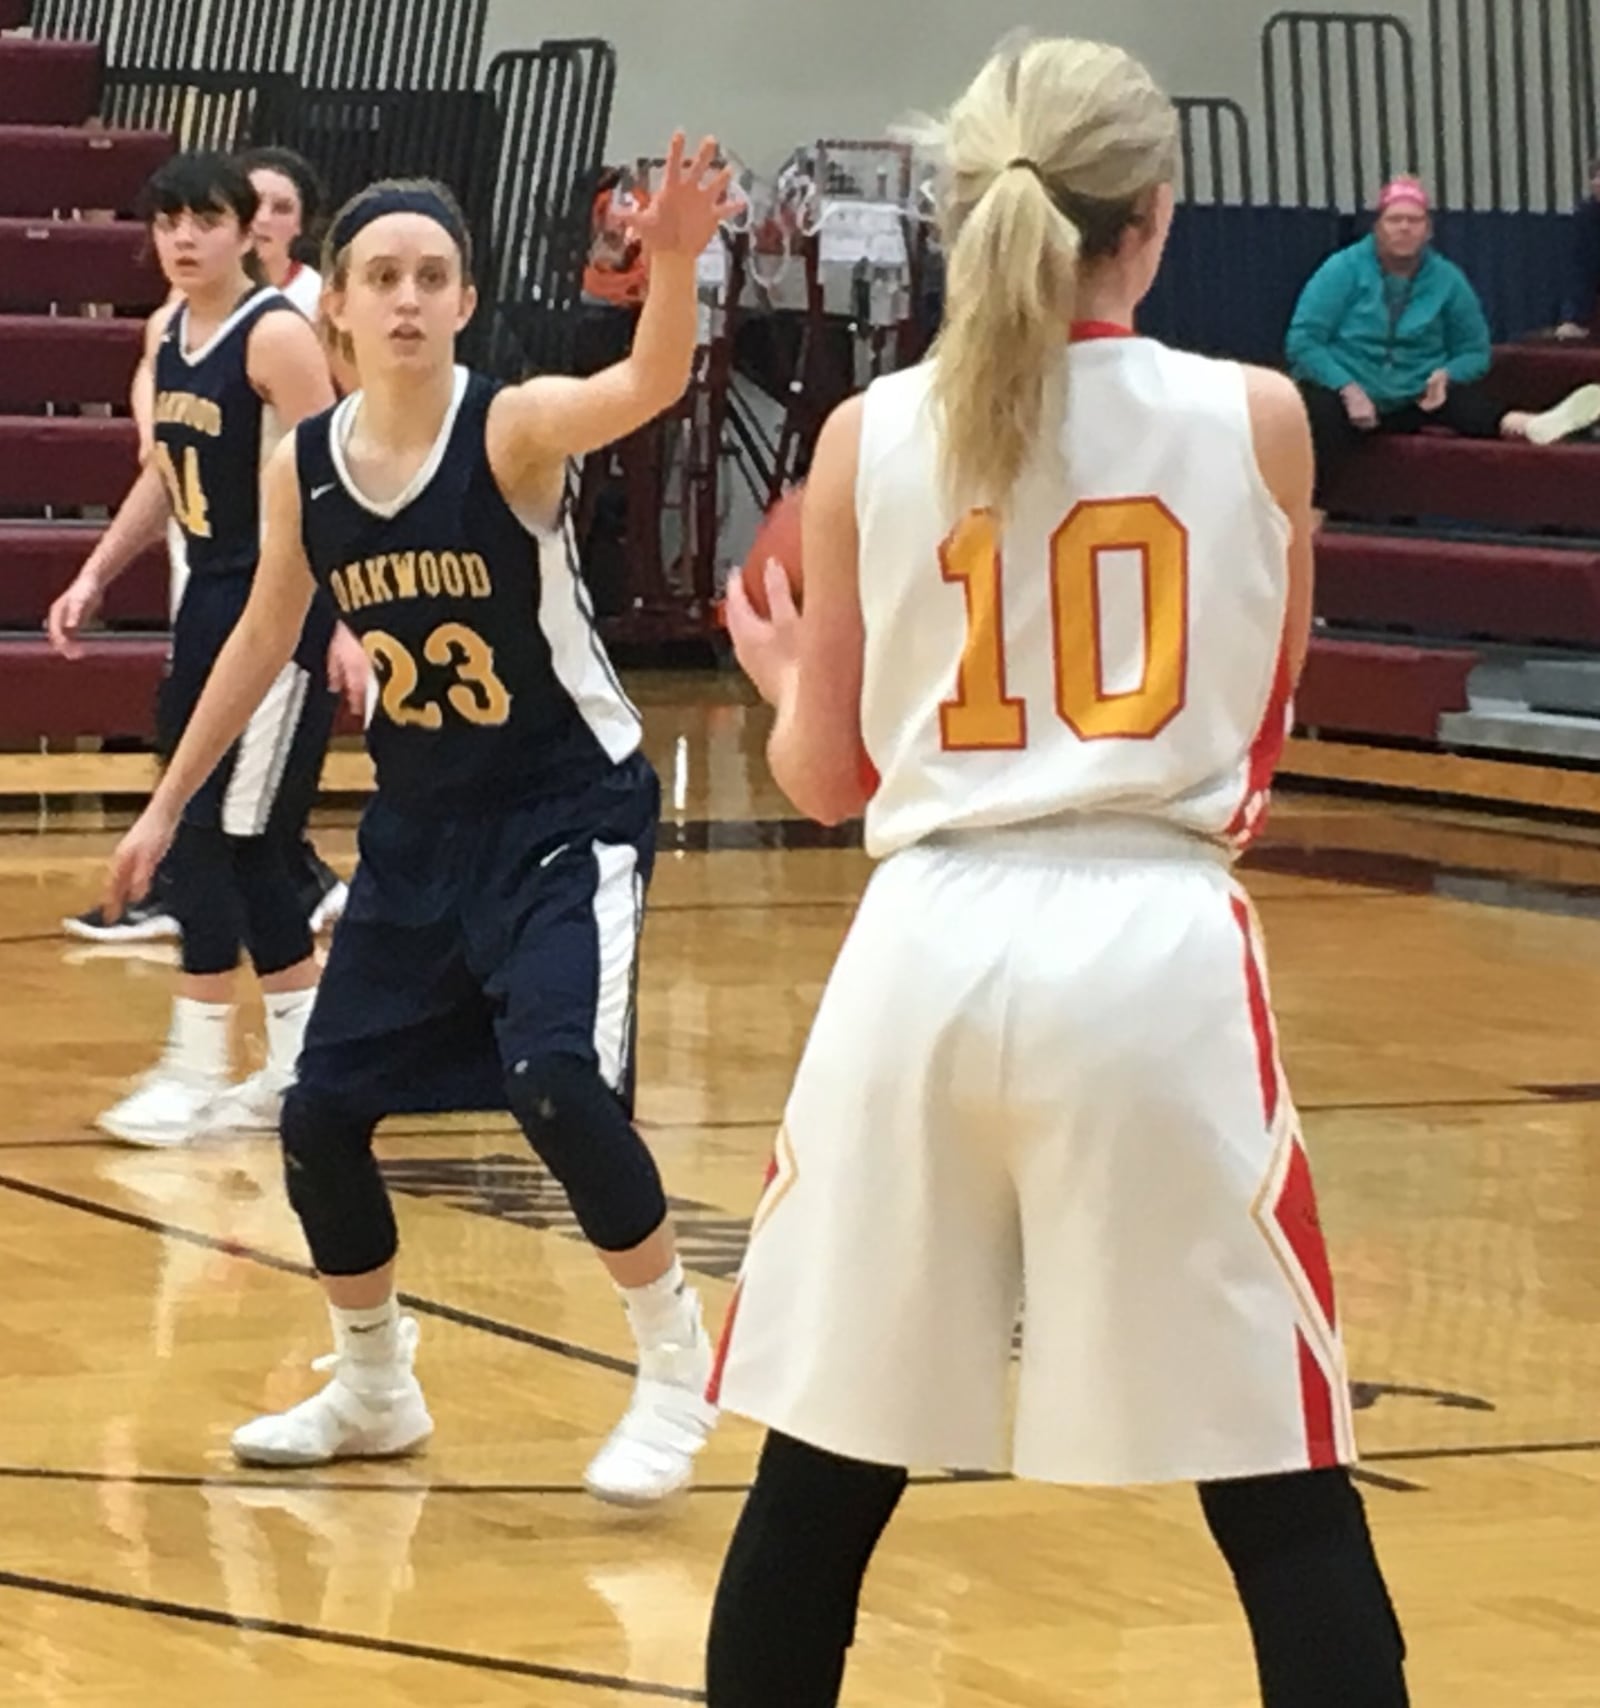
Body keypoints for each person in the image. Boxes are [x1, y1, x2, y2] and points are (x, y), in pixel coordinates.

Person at [709, 35, 1409, 1708]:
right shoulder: (1266, 418)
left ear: (966, 214)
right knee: (1280, 1481)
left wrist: (777, 676)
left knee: (821, 1478)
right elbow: (1262, 717)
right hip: (1156, 951)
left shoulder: (869, 435)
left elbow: (824, 780)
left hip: (926, 946)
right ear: (1156, 218)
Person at [102, 141, 740, 1502]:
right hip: (423, 826)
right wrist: (168, 804)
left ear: (462, 303)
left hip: (569, 811)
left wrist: (673, 261)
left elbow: (647, 381)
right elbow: (270, 631)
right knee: (321, 1112)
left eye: (431, 278)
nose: (405, 299)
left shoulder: (508, 430)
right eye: (380, 276)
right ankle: (376, 1383)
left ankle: (677, 1366)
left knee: (558, 1081)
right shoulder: (306, 466)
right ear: (330, 302)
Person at [48, 153, 340, 1145]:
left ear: (245, 232)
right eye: (167, 220)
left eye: (204, 220)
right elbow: (163, 474)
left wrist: (348, 622)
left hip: (283, 611)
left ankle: (200, 1059)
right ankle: (305, 1064)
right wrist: (95, 572)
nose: (182, 238)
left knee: (215, 837)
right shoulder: (165, 332)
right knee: (245, 847)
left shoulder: (279, 338)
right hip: (205, 603)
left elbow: (345, 483)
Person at [1287, 175, 1600, 502]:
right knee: (1318, 412)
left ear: (1429, 229)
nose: (1404, 228)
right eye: (1395, 219)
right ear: (1377, 227)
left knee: (1465, 403)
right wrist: (1347, 388)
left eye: (1414, 220)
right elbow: (1304, 342)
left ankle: (1528, 424)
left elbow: (1475, 350)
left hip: (1414, 394)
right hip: (1348, 392)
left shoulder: (1448, 279)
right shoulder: (1341, 270)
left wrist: (1448, 374)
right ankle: (1314, 506)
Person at [1556, 156, 1600, 340]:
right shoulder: (1587, 216)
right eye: (1595, 177)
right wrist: (1572, 318)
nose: (1596, 182)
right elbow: (1580, 269)